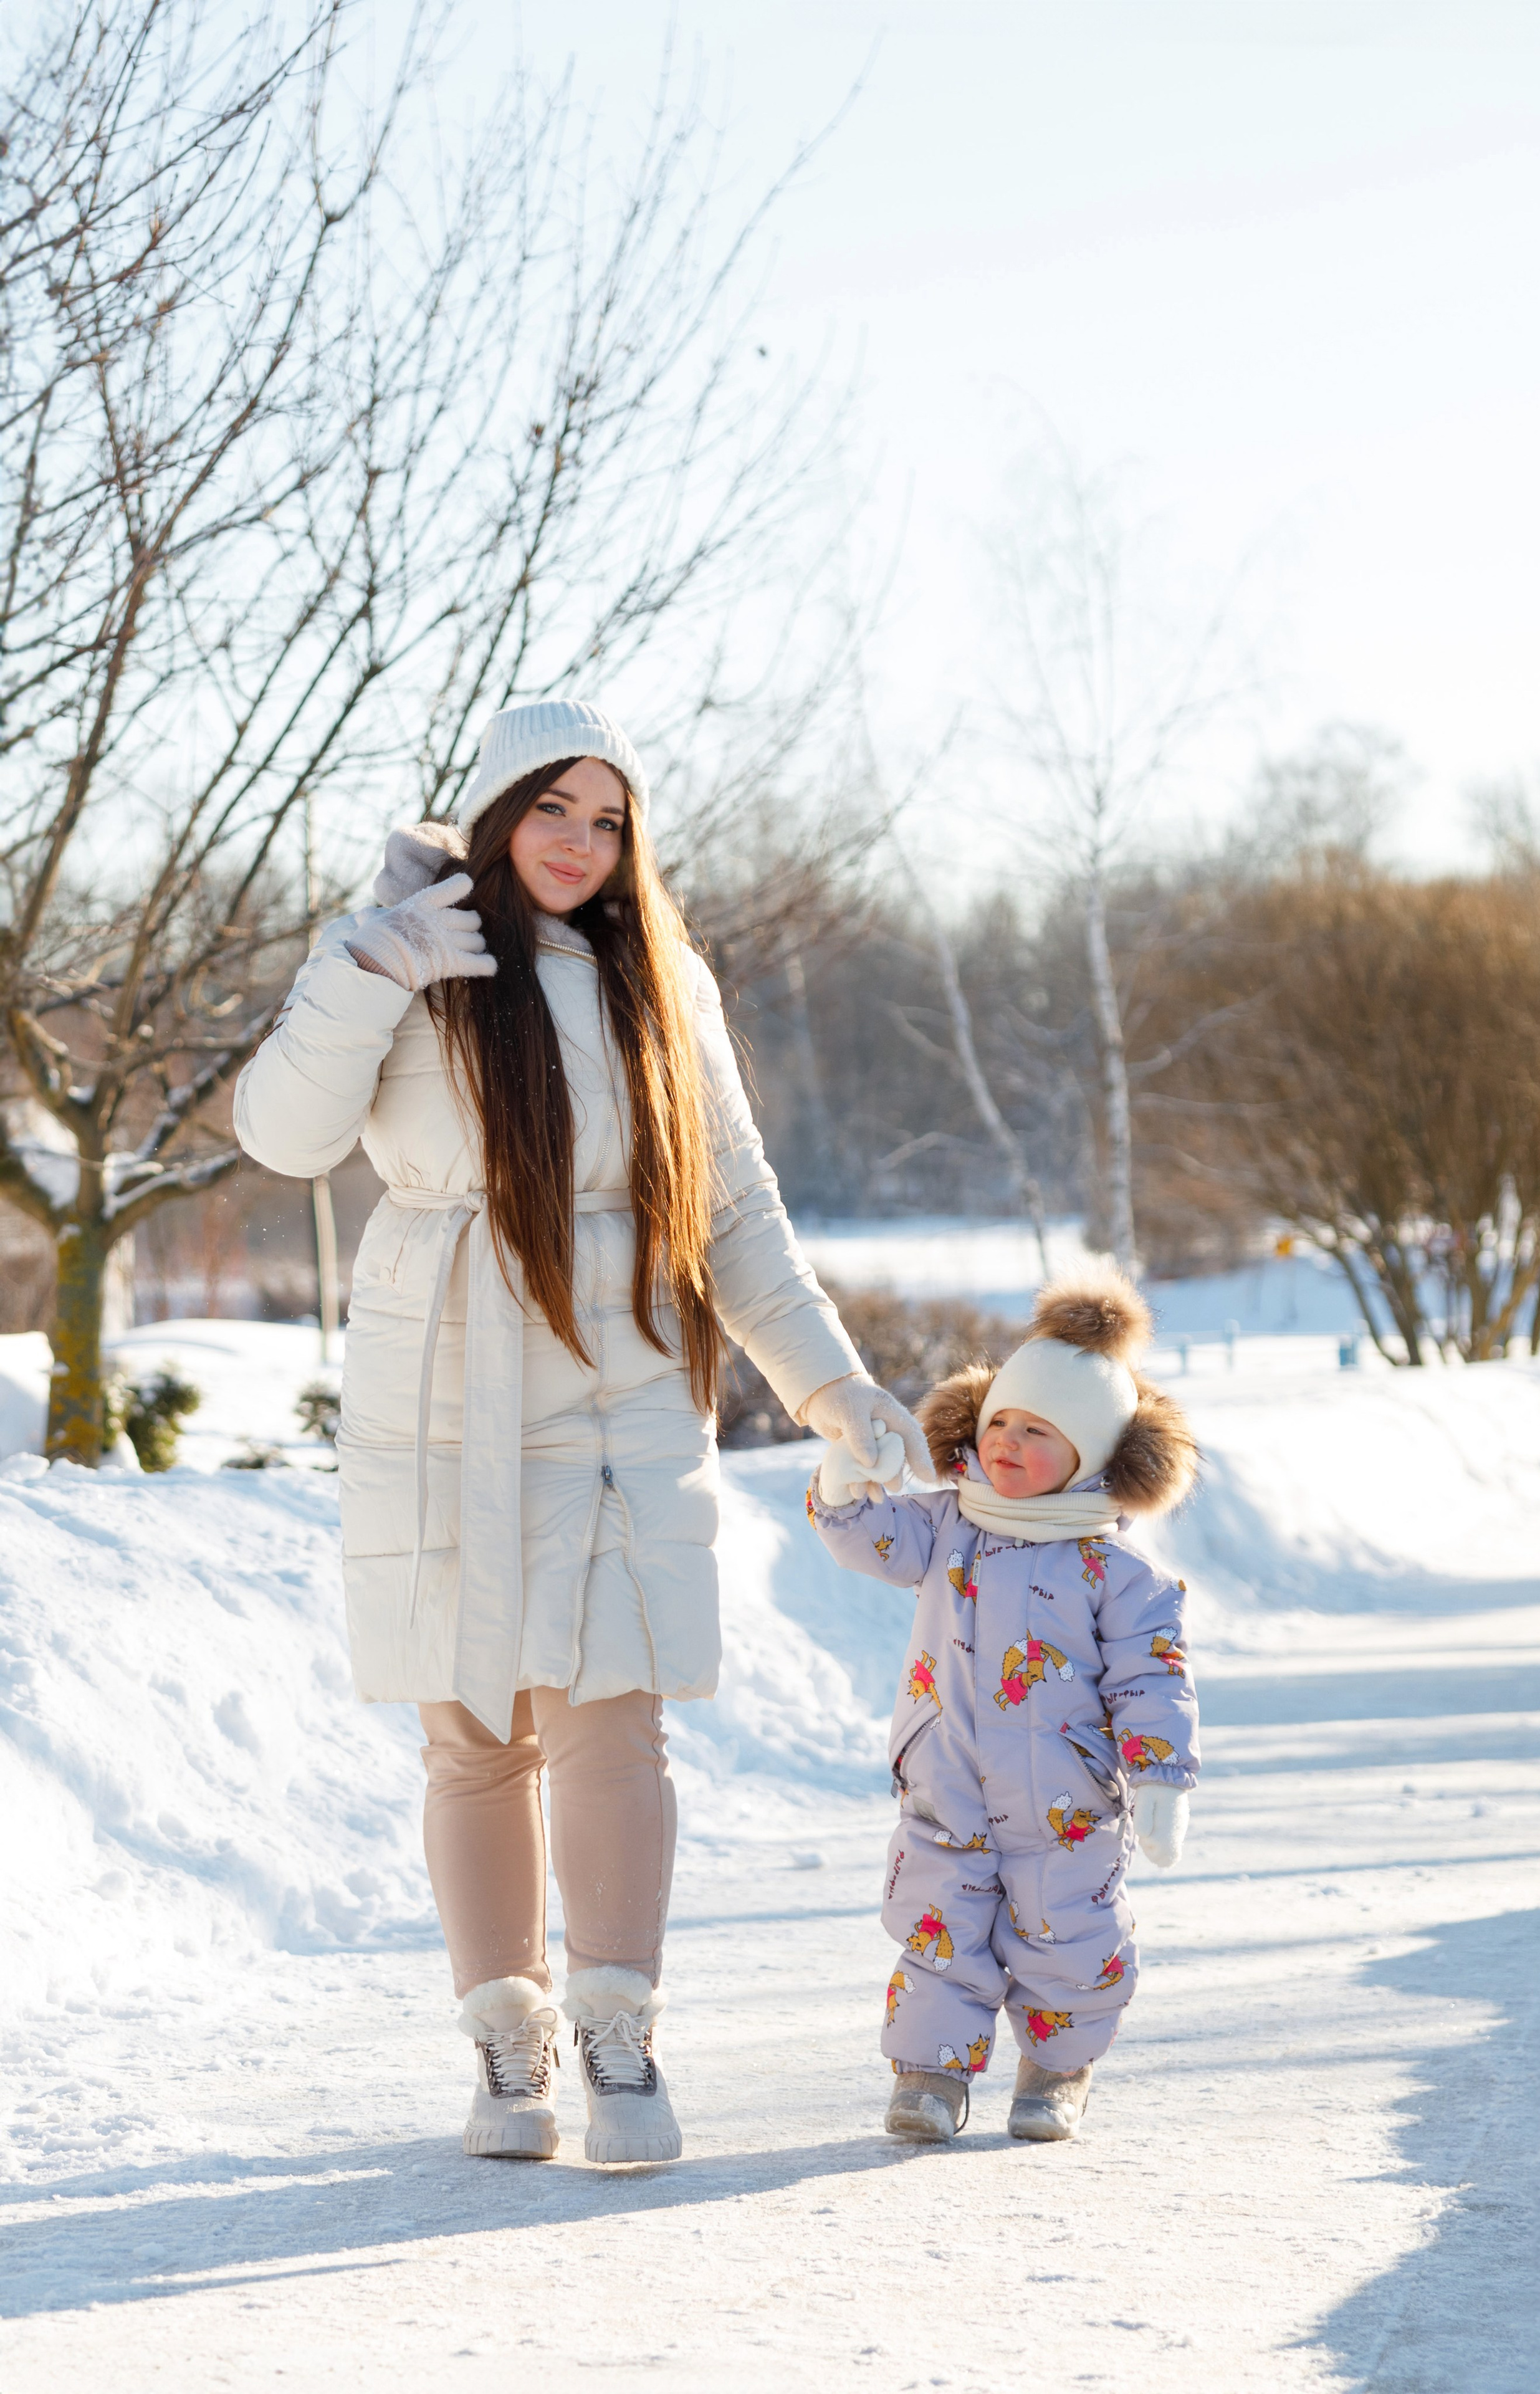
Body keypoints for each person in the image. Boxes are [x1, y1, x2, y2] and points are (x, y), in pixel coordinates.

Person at [234, 699, 931, 2165]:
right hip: (440, 1383)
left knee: (615, 1716)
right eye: (552, 808)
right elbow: (283, 1137)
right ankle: (506, 2046)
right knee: (473, 1731)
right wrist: (368, 972)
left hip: (620, 1376)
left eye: (607, 819)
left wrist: (830, 1386)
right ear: (496, 814)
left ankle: (620, 2034)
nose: (578, 841)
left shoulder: (662, 979)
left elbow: (733, 1210)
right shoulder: (402, 952)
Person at [805, 1266, 1198, 2144]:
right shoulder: (948, 1522)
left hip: (1068, 1806)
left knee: (1069, 1938)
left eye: (1040, 1432)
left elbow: (1152, 1678)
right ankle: (931, 2075)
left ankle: (1057, 2068)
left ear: (1094, 1454)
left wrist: (1161, 1776)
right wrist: (843, 1474)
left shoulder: (1117, 1572)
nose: (1009, 1441)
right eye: (1002, 1423)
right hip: (948, 1791)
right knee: (942, 1934)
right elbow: (861, 1536)